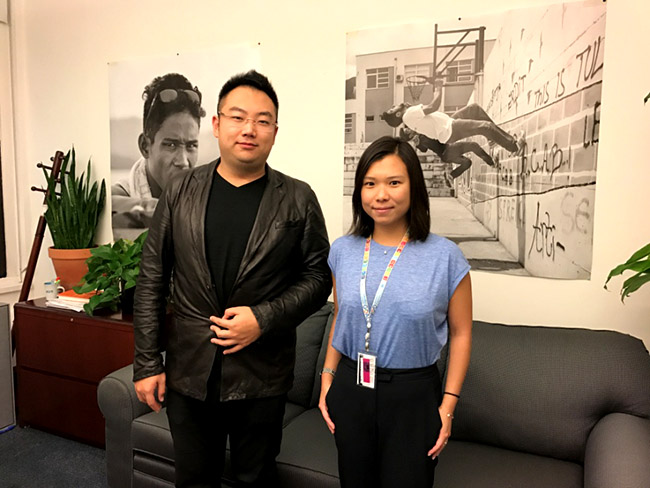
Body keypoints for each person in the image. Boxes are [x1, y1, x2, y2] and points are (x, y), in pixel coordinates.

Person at [133, 70, 331, 488]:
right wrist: (147, 363)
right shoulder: (180, 191)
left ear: (274, 131)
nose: (249, 129)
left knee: (255, 480)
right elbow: (152, 278)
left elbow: (318, 277)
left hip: (262, 376)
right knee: (193, 479)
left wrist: (264, 318)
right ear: (217, 124)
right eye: (238, 117)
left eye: (262, 120)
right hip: (190, 371)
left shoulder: (298, 198)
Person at [319, 136, 472, 488]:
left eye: (393, 182)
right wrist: (327, 379)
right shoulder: (342, 250)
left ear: (413, 187)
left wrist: (448, 407)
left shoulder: (445, 257)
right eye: (370, 184)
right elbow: (341, 316)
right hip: (352, 388)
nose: (381, 195)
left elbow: (462, 333)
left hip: (412, 396)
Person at [112, 73, 205, 231]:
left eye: (191, 146)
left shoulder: (204, 196)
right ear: (145, 146)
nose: (183, 161)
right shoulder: (119, 196)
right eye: (171, 145)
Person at [381, 80, 518, 181]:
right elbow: (433, 106)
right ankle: (514, 147)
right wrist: (439, 88)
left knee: (474, 109)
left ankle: (492, 140)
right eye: (393, 109)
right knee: (485, 127)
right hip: (449, 129)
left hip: (449, 122)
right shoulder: (408, 115)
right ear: (398, 114)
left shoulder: (408, 116)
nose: (394, 106)